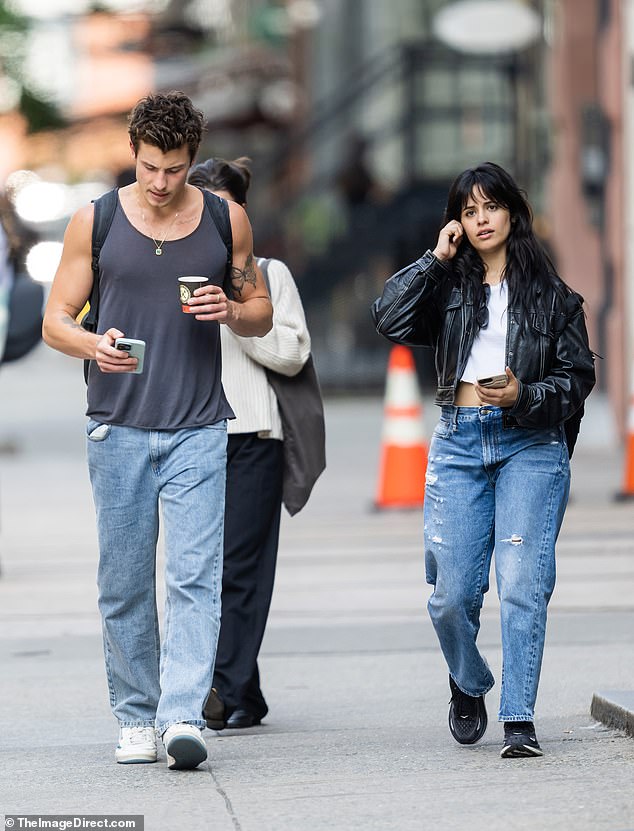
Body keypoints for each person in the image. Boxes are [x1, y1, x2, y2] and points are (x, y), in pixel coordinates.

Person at [42, 92, 272, 770]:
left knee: (195, 577)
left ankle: (179, 714)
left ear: (192, 161)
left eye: (174, 169)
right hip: (117, 428)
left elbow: (261, 312)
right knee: (124, 581)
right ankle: (135, 715)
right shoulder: (98, 221)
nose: (162, 183)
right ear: (133, 154)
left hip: (200, 426)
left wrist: (231, 308)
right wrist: (93, 344)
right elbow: (57, 318)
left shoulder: (228, 220)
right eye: (149, 168)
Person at [372, 162, 595, 758]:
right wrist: (435, 258)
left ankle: (518, 718)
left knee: (522, 583)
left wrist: (526, 394)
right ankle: (468, 682)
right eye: (467, 211)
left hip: (530, 444)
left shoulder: (552, 296)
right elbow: (386, 317)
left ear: (512, 212)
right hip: (460, 441)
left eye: (489, 207)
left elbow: (579, 378)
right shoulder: (449, 287)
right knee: (450, 594)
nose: (479, 220)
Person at [187, 157, 312, 729]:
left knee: (239, 568)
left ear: (242, 212)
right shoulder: (177, 271)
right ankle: (246, 692)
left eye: (226, 206)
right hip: (191, 436)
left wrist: (237, 317)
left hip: (253, 437)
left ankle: (219, 689)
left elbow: (292, 354)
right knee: (200, 570)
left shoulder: (269, 273)